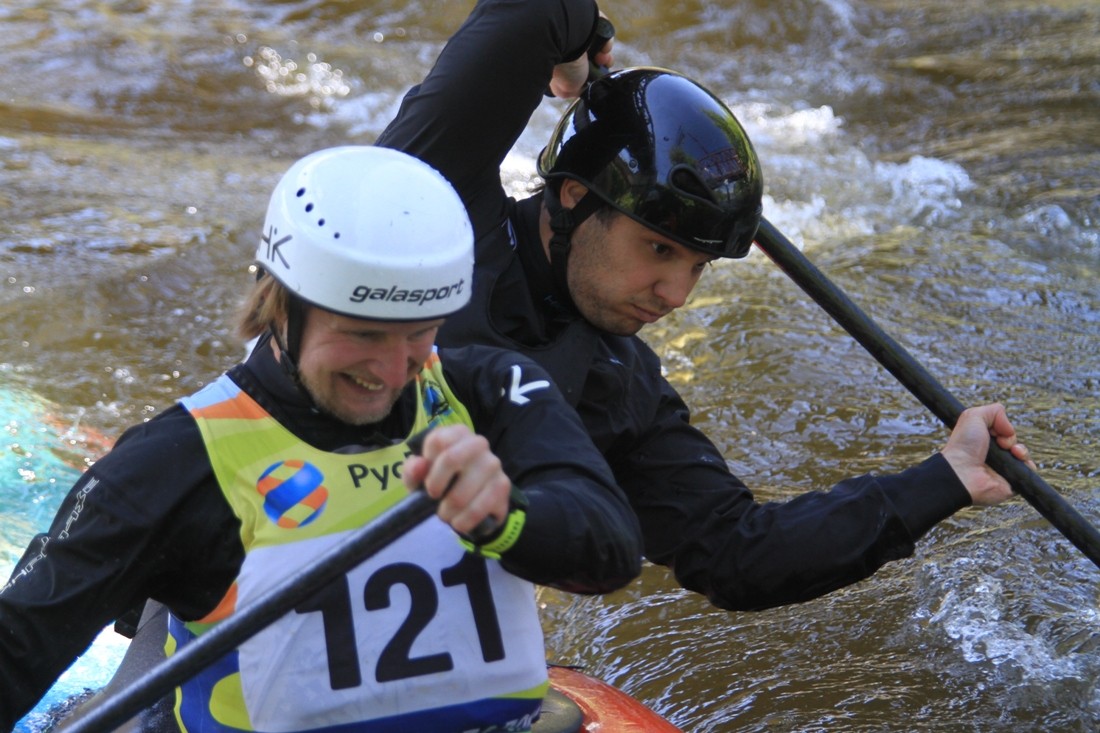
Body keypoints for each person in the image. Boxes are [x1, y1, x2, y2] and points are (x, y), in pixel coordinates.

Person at [374, 0, 1035, 611]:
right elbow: (534, 9)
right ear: (574, 196)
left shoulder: (616, 383)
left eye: (697, 265)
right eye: (659, 249)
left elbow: (738, 551)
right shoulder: (431, 198)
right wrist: (578, 47)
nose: (676, 295)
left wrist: (946, 477)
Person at [0, 146, 643, 733]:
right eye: (363, 333)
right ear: (281, 303)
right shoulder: (174, 461)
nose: (392, 370)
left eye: (419, 331)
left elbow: (612, 551)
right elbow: (18, 646)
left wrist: (506, 518)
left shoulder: (489, 392)